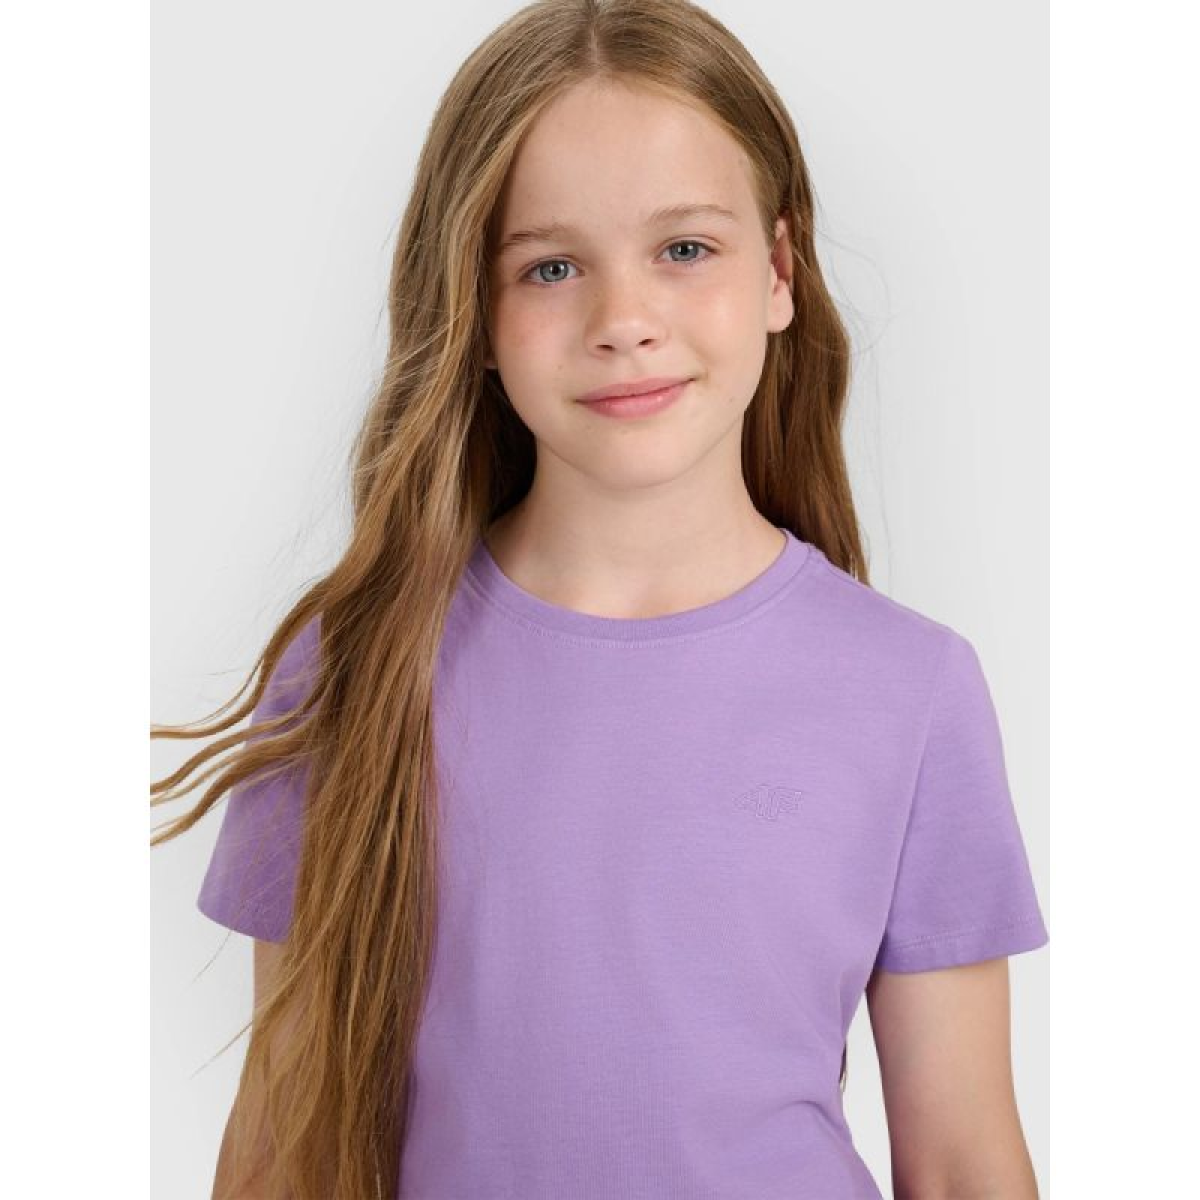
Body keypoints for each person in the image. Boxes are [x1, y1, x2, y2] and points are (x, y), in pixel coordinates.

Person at [151, 2, 1049, 1197]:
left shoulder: (913, 688)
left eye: (685, 249)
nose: (624, 322)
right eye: (551, 267)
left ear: (780, 271)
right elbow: (280, 1150)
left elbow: (965, 1162)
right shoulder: (353, 666)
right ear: (474, 313)